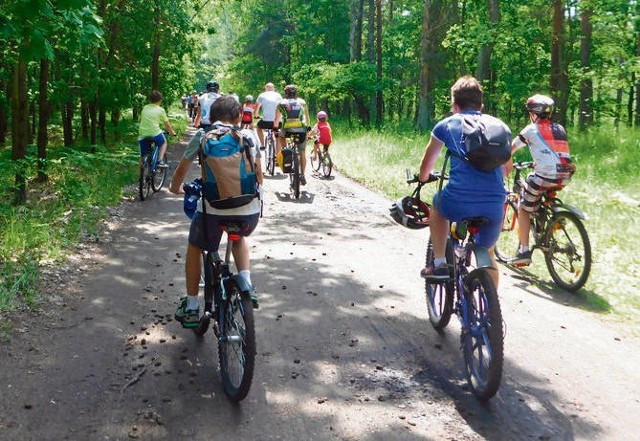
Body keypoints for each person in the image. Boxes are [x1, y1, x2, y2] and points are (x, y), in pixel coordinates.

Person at [169, 95, 263, 327]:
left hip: (213, 212)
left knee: (195, 246)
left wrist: (175, 188)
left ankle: (191, 305)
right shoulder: (249, 136)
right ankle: (246, 285)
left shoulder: (203, 135)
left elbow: (182, 168)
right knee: (238, 238)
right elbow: (259, 176)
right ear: (239, 116)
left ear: (210, 117)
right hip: (248, 212)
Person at [418, 76, 509, 289]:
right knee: (487, 252)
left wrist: (423, 178)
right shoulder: (500, 126)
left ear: (454, 105)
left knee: (438, 207)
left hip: (459, 201)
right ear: (481, 105)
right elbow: (507, 168)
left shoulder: (446, 125)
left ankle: (439, 263)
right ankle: (490, 313)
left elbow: (427, 164)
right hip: (495, 205)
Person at [509, 94, 575, 265]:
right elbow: (552, 152)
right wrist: (536, 162)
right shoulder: (559, 128)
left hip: (545, 176)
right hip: (565, 174)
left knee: (523, 207)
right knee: (542, 192)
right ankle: (549, 220)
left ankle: (523, 251)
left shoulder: (530, 129)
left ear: (533, 113)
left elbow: (510, 149)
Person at [274, 84, 311, 185]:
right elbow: (307, 118)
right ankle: (302, 175)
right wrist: (308, 127)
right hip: (301, 129)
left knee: (281, 135)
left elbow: (277, 119)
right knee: (302, 152)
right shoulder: (302, 102)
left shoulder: (281, 103)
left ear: (286, 93)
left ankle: (285, 149)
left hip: (287, 130)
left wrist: (275, 129)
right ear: (296, 93)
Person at [137, 90, 176, 167]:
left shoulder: (145, 107)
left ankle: (141, 177)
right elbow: (167, 124)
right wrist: (171, 132)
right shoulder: (160, 110)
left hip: (142, 134)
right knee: (163, 142)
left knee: (142, 155)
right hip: (154, 133)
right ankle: (160, 160)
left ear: (150, 99)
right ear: (160, 100)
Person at [254, 83, 283, 149]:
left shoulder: (262, 95)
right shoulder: (278, 95)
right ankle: (277, 156)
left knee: (258, 127)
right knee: (278, 136)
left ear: (265, 89)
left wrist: (256, 115)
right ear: (273, 89)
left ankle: (262, 144)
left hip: (266, 122)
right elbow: (282, 106)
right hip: (277, 121)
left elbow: (256, 107)